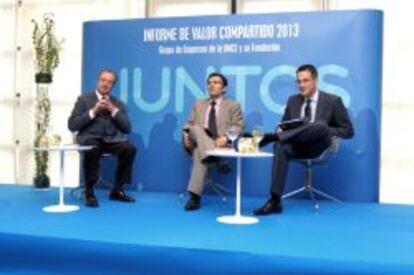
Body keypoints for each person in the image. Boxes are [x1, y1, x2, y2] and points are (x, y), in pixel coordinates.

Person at [254, 64, 354, 215]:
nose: (301, 85)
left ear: (315, 80)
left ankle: (272, 138)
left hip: (319, 146)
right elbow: (284, 125)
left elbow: (348, 131)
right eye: (299, 81)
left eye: (305, 81)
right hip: (297, 145)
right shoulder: (293, 100)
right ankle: (275, 200)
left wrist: (324, 129)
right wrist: (282, 130)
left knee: (320, 125)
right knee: (280, 146)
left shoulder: (333, 101)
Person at [68, 69, 137, 207]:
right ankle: (89, 191)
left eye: (110, 82)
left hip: (112, 140)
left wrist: (113, 110)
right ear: (98, 81)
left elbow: (127, 128)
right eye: (103, 80)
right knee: (92, 148)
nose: (105, 84)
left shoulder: (118, 103)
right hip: (90, 138)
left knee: (129, 148)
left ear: (113, 86)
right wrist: (93, 111)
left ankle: (117, 190)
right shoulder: (83, 100)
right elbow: (72, 125)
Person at [182, 72, 244, 211]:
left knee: (200, 152)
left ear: (224, 88)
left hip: (217, 144)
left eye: (216, 82)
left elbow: (238, 126)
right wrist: (185, 135)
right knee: (196, 128)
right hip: (198, 139)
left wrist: (226, 137)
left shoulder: (233, 105)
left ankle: (194, 197)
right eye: (209, 82)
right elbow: (188, 124)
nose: (211, 85)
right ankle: (217, 159)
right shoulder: (199, 104)